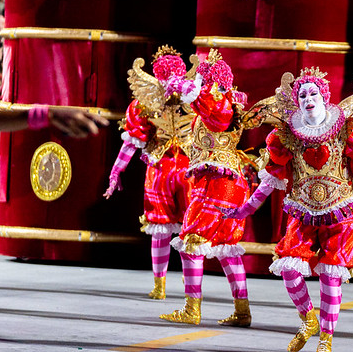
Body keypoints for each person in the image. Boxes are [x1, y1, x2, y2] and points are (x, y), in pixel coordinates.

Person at [222, 67, 353, 352]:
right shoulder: (286, 135)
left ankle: (326, 341)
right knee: (289, 269)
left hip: (342, 214)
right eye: (302, 95)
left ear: (324, 97)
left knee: (331, 277)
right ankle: (308, 319)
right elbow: (269, 180)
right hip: (302, 212)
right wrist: (245, 209)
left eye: (313, 93)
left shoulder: (347, 130)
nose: (308, 99)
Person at [158, 49, 255, 327]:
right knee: (226, 246)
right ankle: (242, 310)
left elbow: (198, 99)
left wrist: (179, 81)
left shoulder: (218, 104)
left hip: (217, 184)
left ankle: (192, 309)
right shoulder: (224, 104)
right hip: (229, 183)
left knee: (191, 242)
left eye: (202, 78)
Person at [104, 46, 194, 300]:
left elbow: (131, 142)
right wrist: (115, 172)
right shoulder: (193, 100)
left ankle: (164, 285)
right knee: (184, 230)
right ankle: (182, 285)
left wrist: (116, 172)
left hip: (165, 171)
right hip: (181, 170)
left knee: (167, 230)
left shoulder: (151, 103)